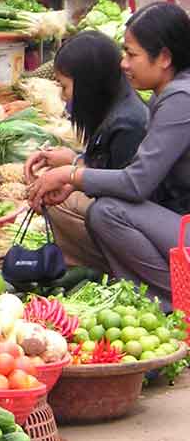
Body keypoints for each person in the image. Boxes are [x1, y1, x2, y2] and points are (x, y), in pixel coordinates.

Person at [27, 3, 190, 307]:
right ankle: (151, 295)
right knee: (102, 208)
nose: (124, 64)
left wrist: (71, 175)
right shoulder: (169, 95)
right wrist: (75, 165)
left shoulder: (180, 99)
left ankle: (172, 301)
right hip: (179, 219)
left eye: (132, 54)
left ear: (165, 58)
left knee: (107, 212)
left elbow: (137, 183)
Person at [24, 31, 148, 270]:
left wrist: (70, 176)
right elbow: (108, 166)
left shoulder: (128, 124)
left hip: (130, 222)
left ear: (88, 84)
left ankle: (105, 266)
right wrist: (72, 159)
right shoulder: (116, 107)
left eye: (65, 86)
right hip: (122, 210)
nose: (63, 96)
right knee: (57, 189)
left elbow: (123, 188)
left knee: (60, 202)